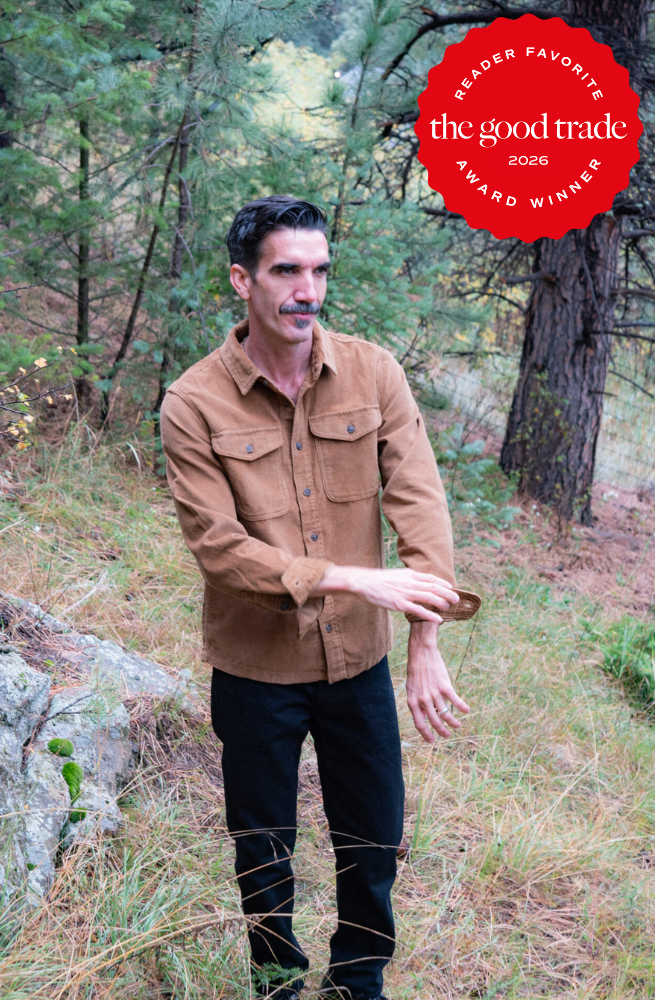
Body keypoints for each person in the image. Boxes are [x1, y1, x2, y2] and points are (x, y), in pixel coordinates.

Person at [160, 195, 480, 1000]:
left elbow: (420, 504)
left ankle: (359, 982)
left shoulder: (374, 373)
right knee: (262, 843)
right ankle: (276, 981)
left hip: (358, 662)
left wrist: (424, 639)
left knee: (372, 838)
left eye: (320, 270)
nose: (308, 289)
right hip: (255, 667)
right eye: (287, 271)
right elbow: (220, 549)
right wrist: (352, 577)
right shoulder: (193, 403)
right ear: (243, 280)